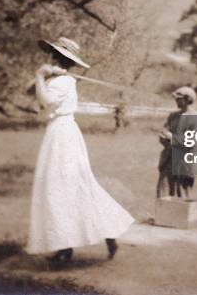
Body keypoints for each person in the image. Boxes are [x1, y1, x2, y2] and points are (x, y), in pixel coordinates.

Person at [27, 37, 134, 262]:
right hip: (61, 132)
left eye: (53, 55)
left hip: (62, 135)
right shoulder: (60, 79)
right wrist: (41, 77)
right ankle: (66, 246)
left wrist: (40, 76)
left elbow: (45, 101)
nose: (50, 58)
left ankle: (98, 234)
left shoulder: (63, 82)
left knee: (63, 187)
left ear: (58, 58)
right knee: (63, 188)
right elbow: (30, 93)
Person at [157, 86, 196, 199]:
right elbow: (164, 131)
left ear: (188, 99)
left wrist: (172, 138)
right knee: (164, 191)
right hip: (168, 158)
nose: (177, 101)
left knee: (183, 193)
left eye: (179, 99)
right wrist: (164, 137)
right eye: (176, 99)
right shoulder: (173, 116)